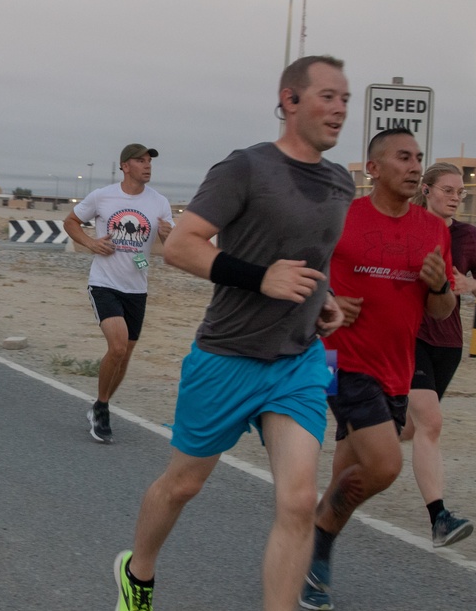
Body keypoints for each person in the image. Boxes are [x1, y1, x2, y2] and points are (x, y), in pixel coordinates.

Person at [114, 55, 354, 611]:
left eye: (345, 98)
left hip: (296, 362)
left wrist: (324, 300)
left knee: (298, 502)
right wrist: (261, 278)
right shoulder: (246, 168)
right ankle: (138, 571)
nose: (340, 109)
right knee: (183, 485)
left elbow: (314, 256)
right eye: (327, 96)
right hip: (228, 356)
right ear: (290, 100)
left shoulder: (341, 181)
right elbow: (181, 245)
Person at [300, 128, 457, 610]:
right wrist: (326, 299)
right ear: (373, 168)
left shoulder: (433, 231)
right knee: (385, 464)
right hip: (334, 360)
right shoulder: (341, 217)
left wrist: (436, 288)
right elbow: (300, 274)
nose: (414, 167)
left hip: (395, 369)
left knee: (349, 468)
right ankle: (318, 537)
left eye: (418, 159)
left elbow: (441, 311)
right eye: (403, 158)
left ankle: (310, 553)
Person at [401, 162, 476, 547]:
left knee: (409, 428)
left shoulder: (469, 236)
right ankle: (439, 517)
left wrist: (468, 282)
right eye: (448, 190)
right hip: (409, 337)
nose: (456, 198)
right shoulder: (405, 225)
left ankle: (364, 435)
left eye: (461, 192)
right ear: (426, 190)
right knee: (432, 421)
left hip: (449, 343)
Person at [63, 144, 173, 443]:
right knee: (119, 347)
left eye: (149, 161)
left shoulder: (159, 202)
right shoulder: (103, 196)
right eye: (140, 160)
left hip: (137, 287)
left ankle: (101, 403)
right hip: (104, 282)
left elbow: (168, 248)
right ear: (125, 166)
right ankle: (101, 407)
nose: (147, 165)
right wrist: (90, 242)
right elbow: (70, 222)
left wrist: (168, 237)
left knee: (125, 356)